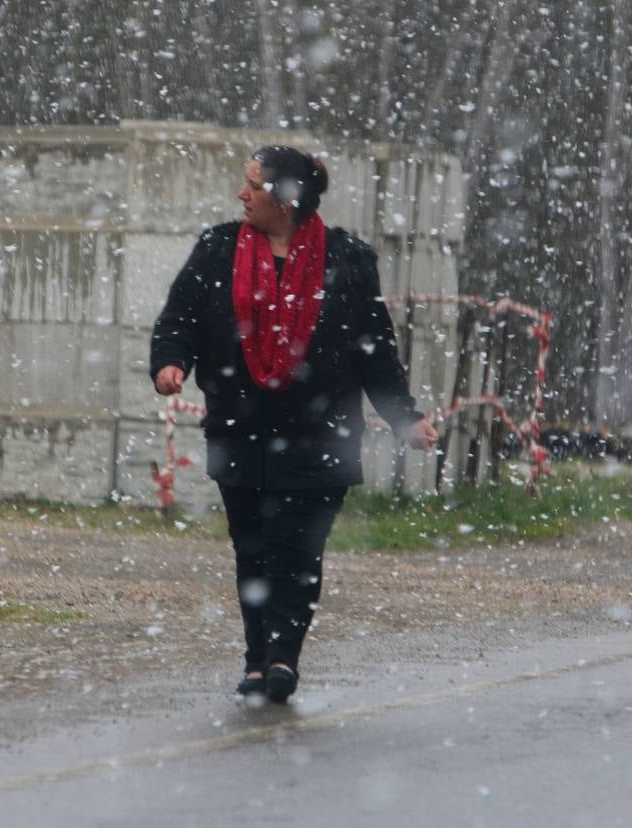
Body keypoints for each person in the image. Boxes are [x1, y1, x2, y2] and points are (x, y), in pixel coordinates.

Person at [150, 145, 438, 704]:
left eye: (253, 186)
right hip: (240, 426)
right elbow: (180, 318)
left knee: (299, 551)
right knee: (253, 549)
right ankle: (257, 658)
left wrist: (404, 418)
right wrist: (171, 362)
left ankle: (284, 655)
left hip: (320, 434)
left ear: (286, 198)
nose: (242, 194)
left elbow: (374, 349)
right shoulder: (217, 250)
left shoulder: (348, 259)